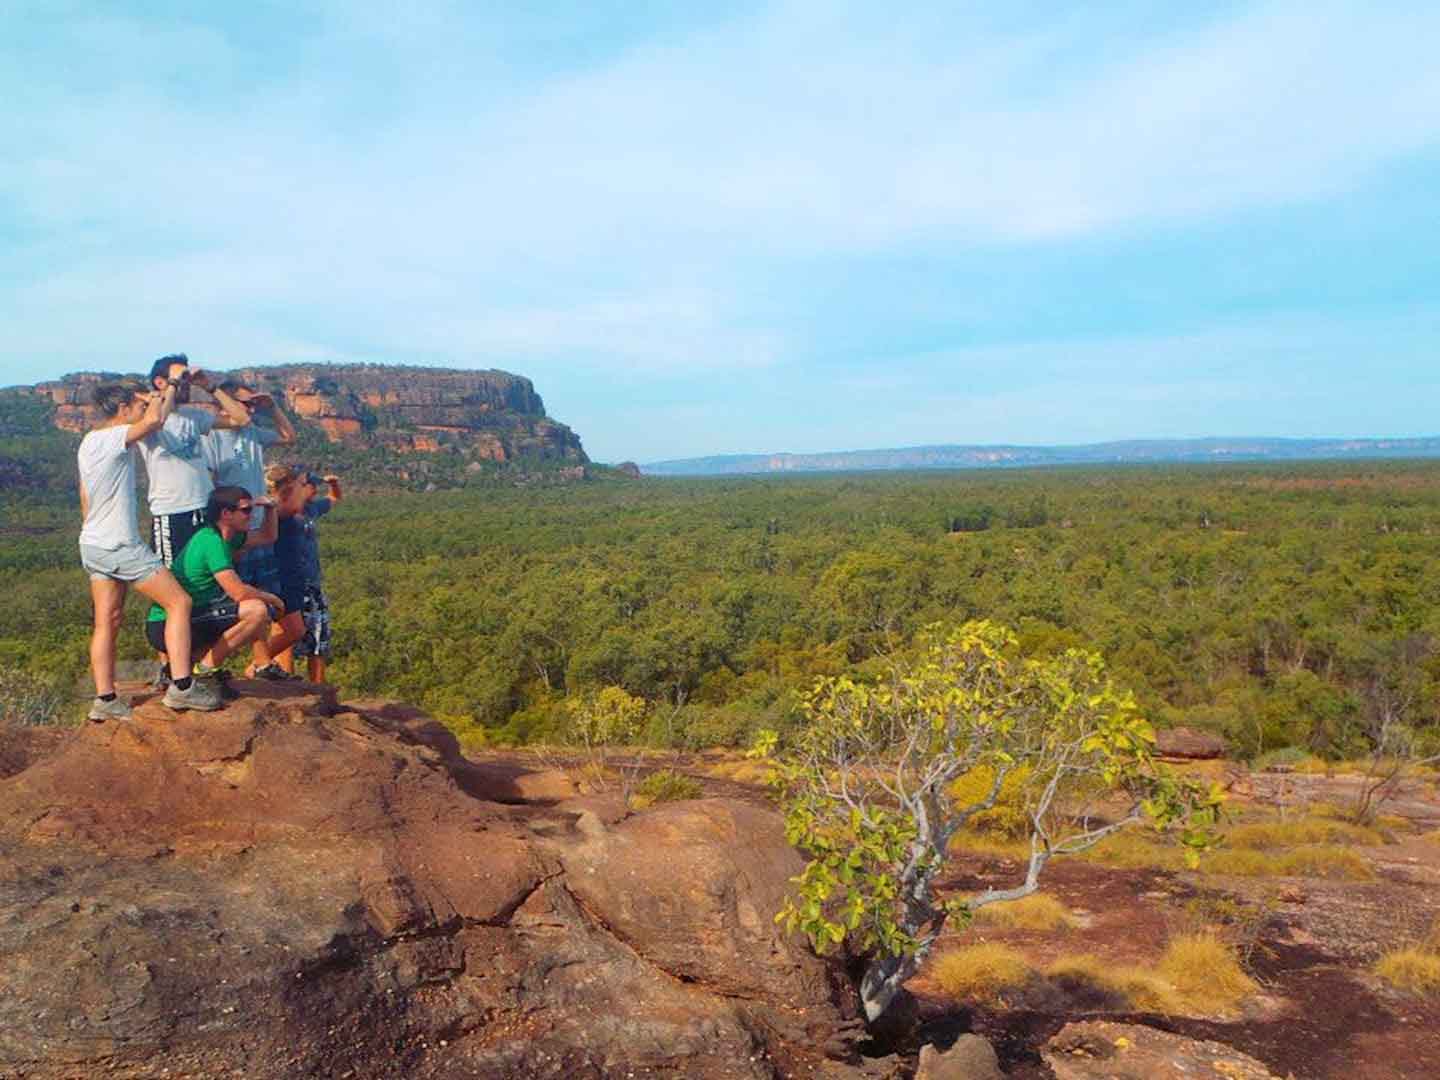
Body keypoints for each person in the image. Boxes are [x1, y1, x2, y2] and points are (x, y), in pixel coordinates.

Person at [77, 382, 218, 716]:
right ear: (123, 409)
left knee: (107, 621)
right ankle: (182, 687)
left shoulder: (87, 443)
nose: (142, 410)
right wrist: (162, 391)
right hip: (119, 543)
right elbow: (154, 422)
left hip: (93, 543)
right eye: (136, 406)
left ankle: (105, 700)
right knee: (179, 602)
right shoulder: (112, 436)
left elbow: (85, 496)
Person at [145, 486, 282, 685]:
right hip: (169, 624)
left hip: (190, 617)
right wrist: (273, 599)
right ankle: (206, 669)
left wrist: (270, 509)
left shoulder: (227, 537)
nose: (251, 516)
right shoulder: (212, 542)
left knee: (251, 605)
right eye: (245, 510)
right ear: (226, 514)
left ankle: (189, 668)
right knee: (256, 610)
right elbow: (239, 593)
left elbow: (267, 536)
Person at [202, 380, 295, 636]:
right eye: (246, 404)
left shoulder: (252, 432)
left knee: (266, 605)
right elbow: (210, 486)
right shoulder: (211, 437)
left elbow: (289, 437)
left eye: (253, 405)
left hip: (259, 528)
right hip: (233, 532)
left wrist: (273, 408)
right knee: (233, 604)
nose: (251, 410)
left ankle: (263, 663)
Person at [278, 471, 342, 682]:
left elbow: (334, 499)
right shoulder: (282, 514)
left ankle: (318, 687)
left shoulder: (311, 510)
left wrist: (333, 485)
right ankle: (284, 682)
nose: (314, 488)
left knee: (318, 636)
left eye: (315, 485)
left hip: (313, 583)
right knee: (286, 636)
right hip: (289, 583)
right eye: (309, 484)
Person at [246, 465, 308, 679]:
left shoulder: (277, 508)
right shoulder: (276, 508)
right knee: (294, 629)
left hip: (288, 572)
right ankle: (256, 667)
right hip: (279, 573)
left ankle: (260, 665)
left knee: (291, 629)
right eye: (301, 484)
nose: (305, 488)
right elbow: (292, 508)